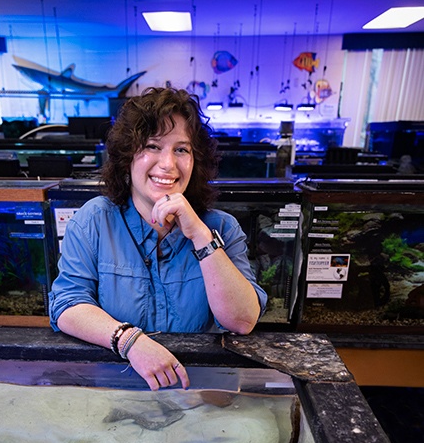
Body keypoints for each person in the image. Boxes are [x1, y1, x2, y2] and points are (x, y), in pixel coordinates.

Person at [49, 87, 267, 390]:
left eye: (181, 149)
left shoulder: (222, 228)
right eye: (152, 146)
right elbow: (67, 305)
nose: (168, 164)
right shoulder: (94, 221)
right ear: (127, 156)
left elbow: (242, 321)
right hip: (120, 388)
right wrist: (131, 342)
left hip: (204, 393)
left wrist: (200, 236)